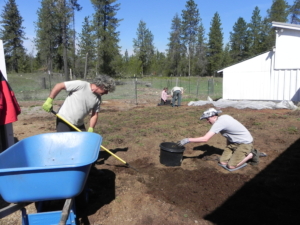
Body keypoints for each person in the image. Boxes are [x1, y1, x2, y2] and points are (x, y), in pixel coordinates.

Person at [177, 108, 260, 169]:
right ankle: (238, 153)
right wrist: (229, 148)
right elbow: (229, 134)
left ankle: (251, 155)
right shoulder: (223, 117)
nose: (207, 121)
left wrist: (187, 140)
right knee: (222, 162)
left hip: (245, 143)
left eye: (208, 119)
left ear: (213, 116)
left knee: (231, 166)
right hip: (233, 143)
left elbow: (205, 139)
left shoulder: (219, 123)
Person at [42, 75, 116, 132]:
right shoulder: (81, 85)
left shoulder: (98, 99)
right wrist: (49, 100)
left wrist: (91, 128)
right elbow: (59, 85)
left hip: (78, 124)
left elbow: (94, 114)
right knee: (64, 144)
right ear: (101, 86)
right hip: (64, 120)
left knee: (83, 144)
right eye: (106, 90)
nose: (106, 93)